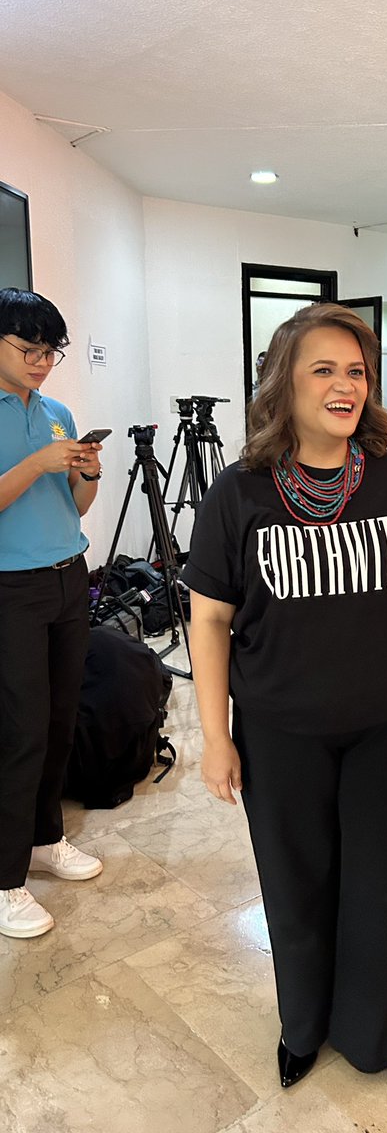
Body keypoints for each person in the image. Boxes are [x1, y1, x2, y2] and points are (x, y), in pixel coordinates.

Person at [183, 303, 387, 1106]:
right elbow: (208, 618)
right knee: (297, 883)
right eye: (323, 369)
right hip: (282, 732)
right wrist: (215, 736)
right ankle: (303, 1024)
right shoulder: (238, 493)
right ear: (285, 383)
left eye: (355, 371)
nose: (344, 384)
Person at [0, 288, 104, 940]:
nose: (43, 361)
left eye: (51, 350)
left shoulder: (59, 411)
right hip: (11, 587)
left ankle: (45, 839)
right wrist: (37, 462)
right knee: (20, 731)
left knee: (62, 720)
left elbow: (80, 507)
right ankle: (6, 881)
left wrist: (85, 471)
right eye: (29, 348)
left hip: (71, 577)